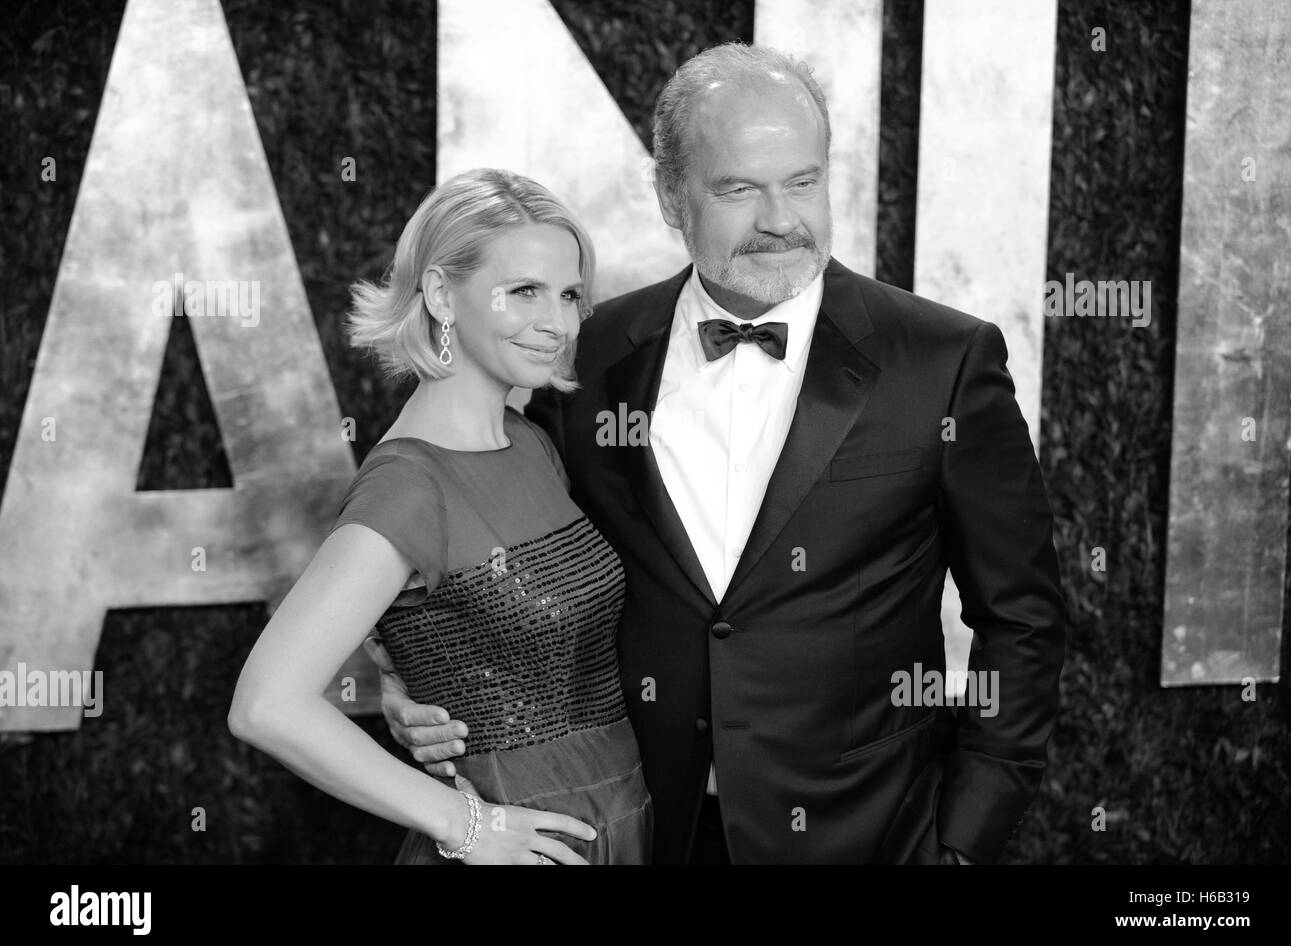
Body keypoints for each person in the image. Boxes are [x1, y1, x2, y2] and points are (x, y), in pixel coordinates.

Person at [376, 42, 1067, 865]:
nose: (781, 219)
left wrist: (961, 842)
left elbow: (1022, 616)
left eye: (803, 181)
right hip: (632, 827)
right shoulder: (583, 356)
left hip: (871, 834)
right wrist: (409, 679)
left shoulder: (944, 360)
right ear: (672, 195)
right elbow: (483, 548)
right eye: (739, 188)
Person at [229, 168, 652, 865]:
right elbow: (265, 703)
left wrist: (410, 684)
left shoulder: (530, 441)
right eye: (524, 291)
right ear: (439, 294)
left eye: (570, 294)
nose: (560, 322)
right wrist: (465, 825)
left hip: (615, 823)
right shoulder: (408, 485)